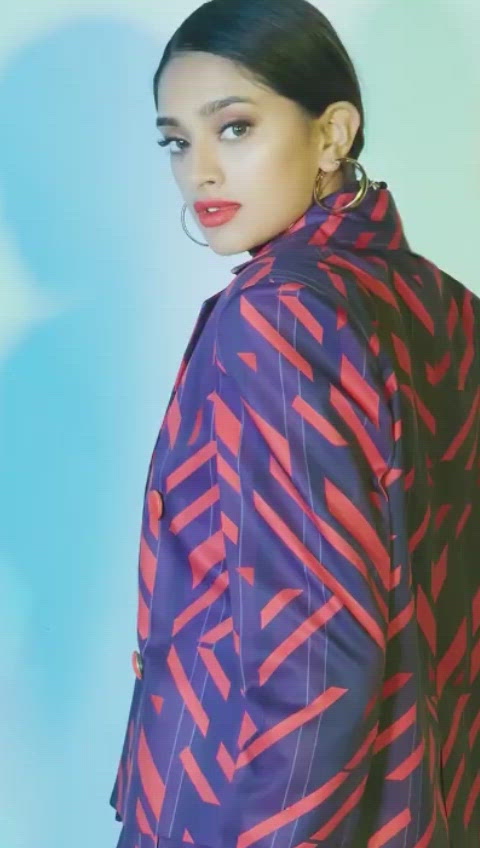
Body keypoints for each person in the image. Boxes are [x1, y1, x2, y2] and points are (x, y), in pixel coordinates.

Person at [109, 1, 480, 846]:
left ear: (331, 133)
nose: (200, 171)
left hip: (256, 810)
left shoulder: (278, 315)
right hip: (429, 801)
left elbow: (315, 656)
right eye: (176, 141)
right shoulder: (446, 306)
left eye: (233, 128)